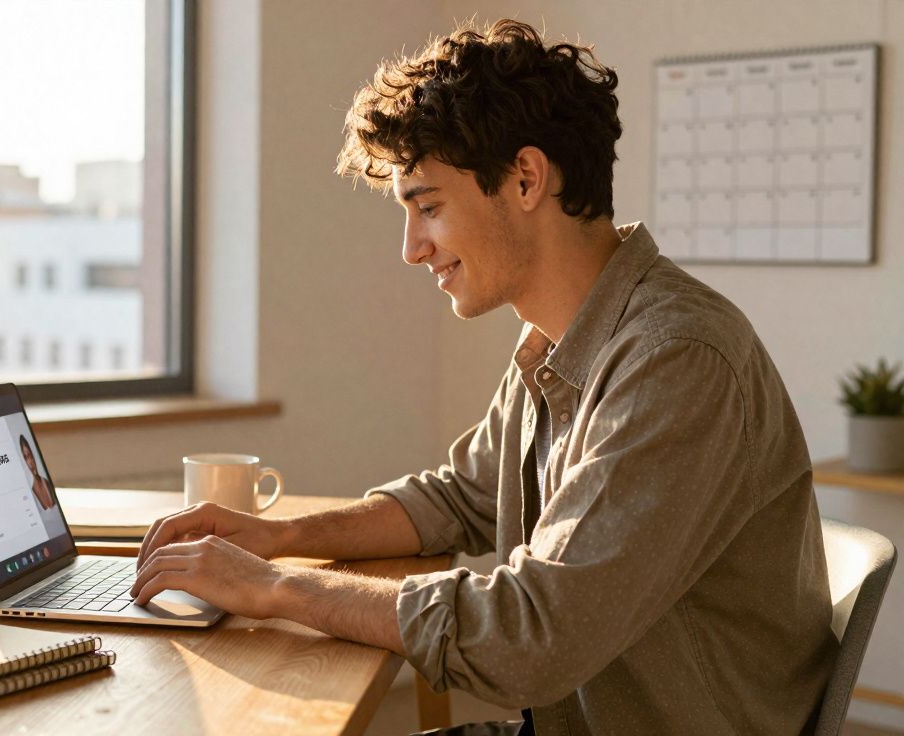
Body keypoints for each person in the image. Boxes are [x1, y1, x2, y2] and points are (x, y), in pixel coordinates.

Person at [129, 18, 835, 734]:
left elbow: (532, 635)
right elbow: (458, 498)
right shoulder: (555, 341)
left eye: (428, 207)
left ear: (526, 178)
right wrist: (276, 537)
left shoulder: (676, 360)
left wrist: (277, 587)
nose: (412, 249)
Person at [19, 434, 55, 510]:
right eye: (26, 458)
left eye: (30, 455)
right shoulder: (29, 492)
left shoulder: (46, 481)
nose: (30, 462)